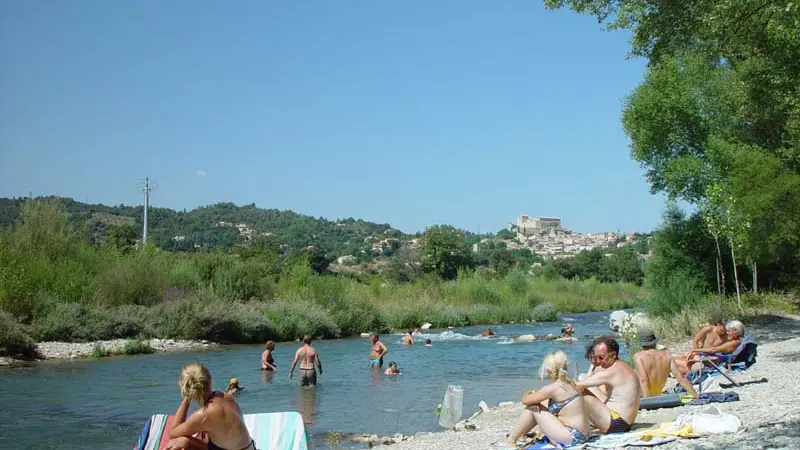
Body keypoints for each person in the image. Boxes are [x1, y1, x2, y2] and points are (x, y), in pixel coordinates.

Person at [164, 363, 255, 450]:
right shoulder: (222, 394)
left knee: (179, 442)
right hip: (249, 447)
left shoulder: (204, 415)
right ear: (210, 379)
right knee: (186, 441)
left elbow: (173, 433)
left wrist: (187, 398)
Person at [507, 351, 589, 447]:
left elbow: (525, 401)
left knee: (533, 407)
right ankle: (521, 435)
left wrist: (528, 393)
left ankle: (512, 439)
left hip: (572, 438)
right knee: (538, 404)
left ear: (549, 369)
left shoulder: (554, 388)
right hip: (582, 436)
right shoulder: (571, 384)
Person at [576, 336, 641, 434]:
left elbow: (579, 386)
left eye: (601, 357)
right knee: (585, 388)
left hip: (617, 423)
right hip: (624, 422)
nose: (598, 361)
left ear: (613, 355)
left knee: (577, 390)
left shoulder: (612, 372)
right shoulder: (623, 366)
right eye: (596, 357)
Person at [633, 329, 698, 399]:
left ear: (642, 344)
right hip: (657, 394)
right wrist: (694, 394)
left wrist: (647, 401)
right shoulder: (667, 355)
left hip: (643, 395)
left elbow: (643, 380)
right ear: (654, 342)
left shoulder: (639, 356)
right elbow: (680, 378)